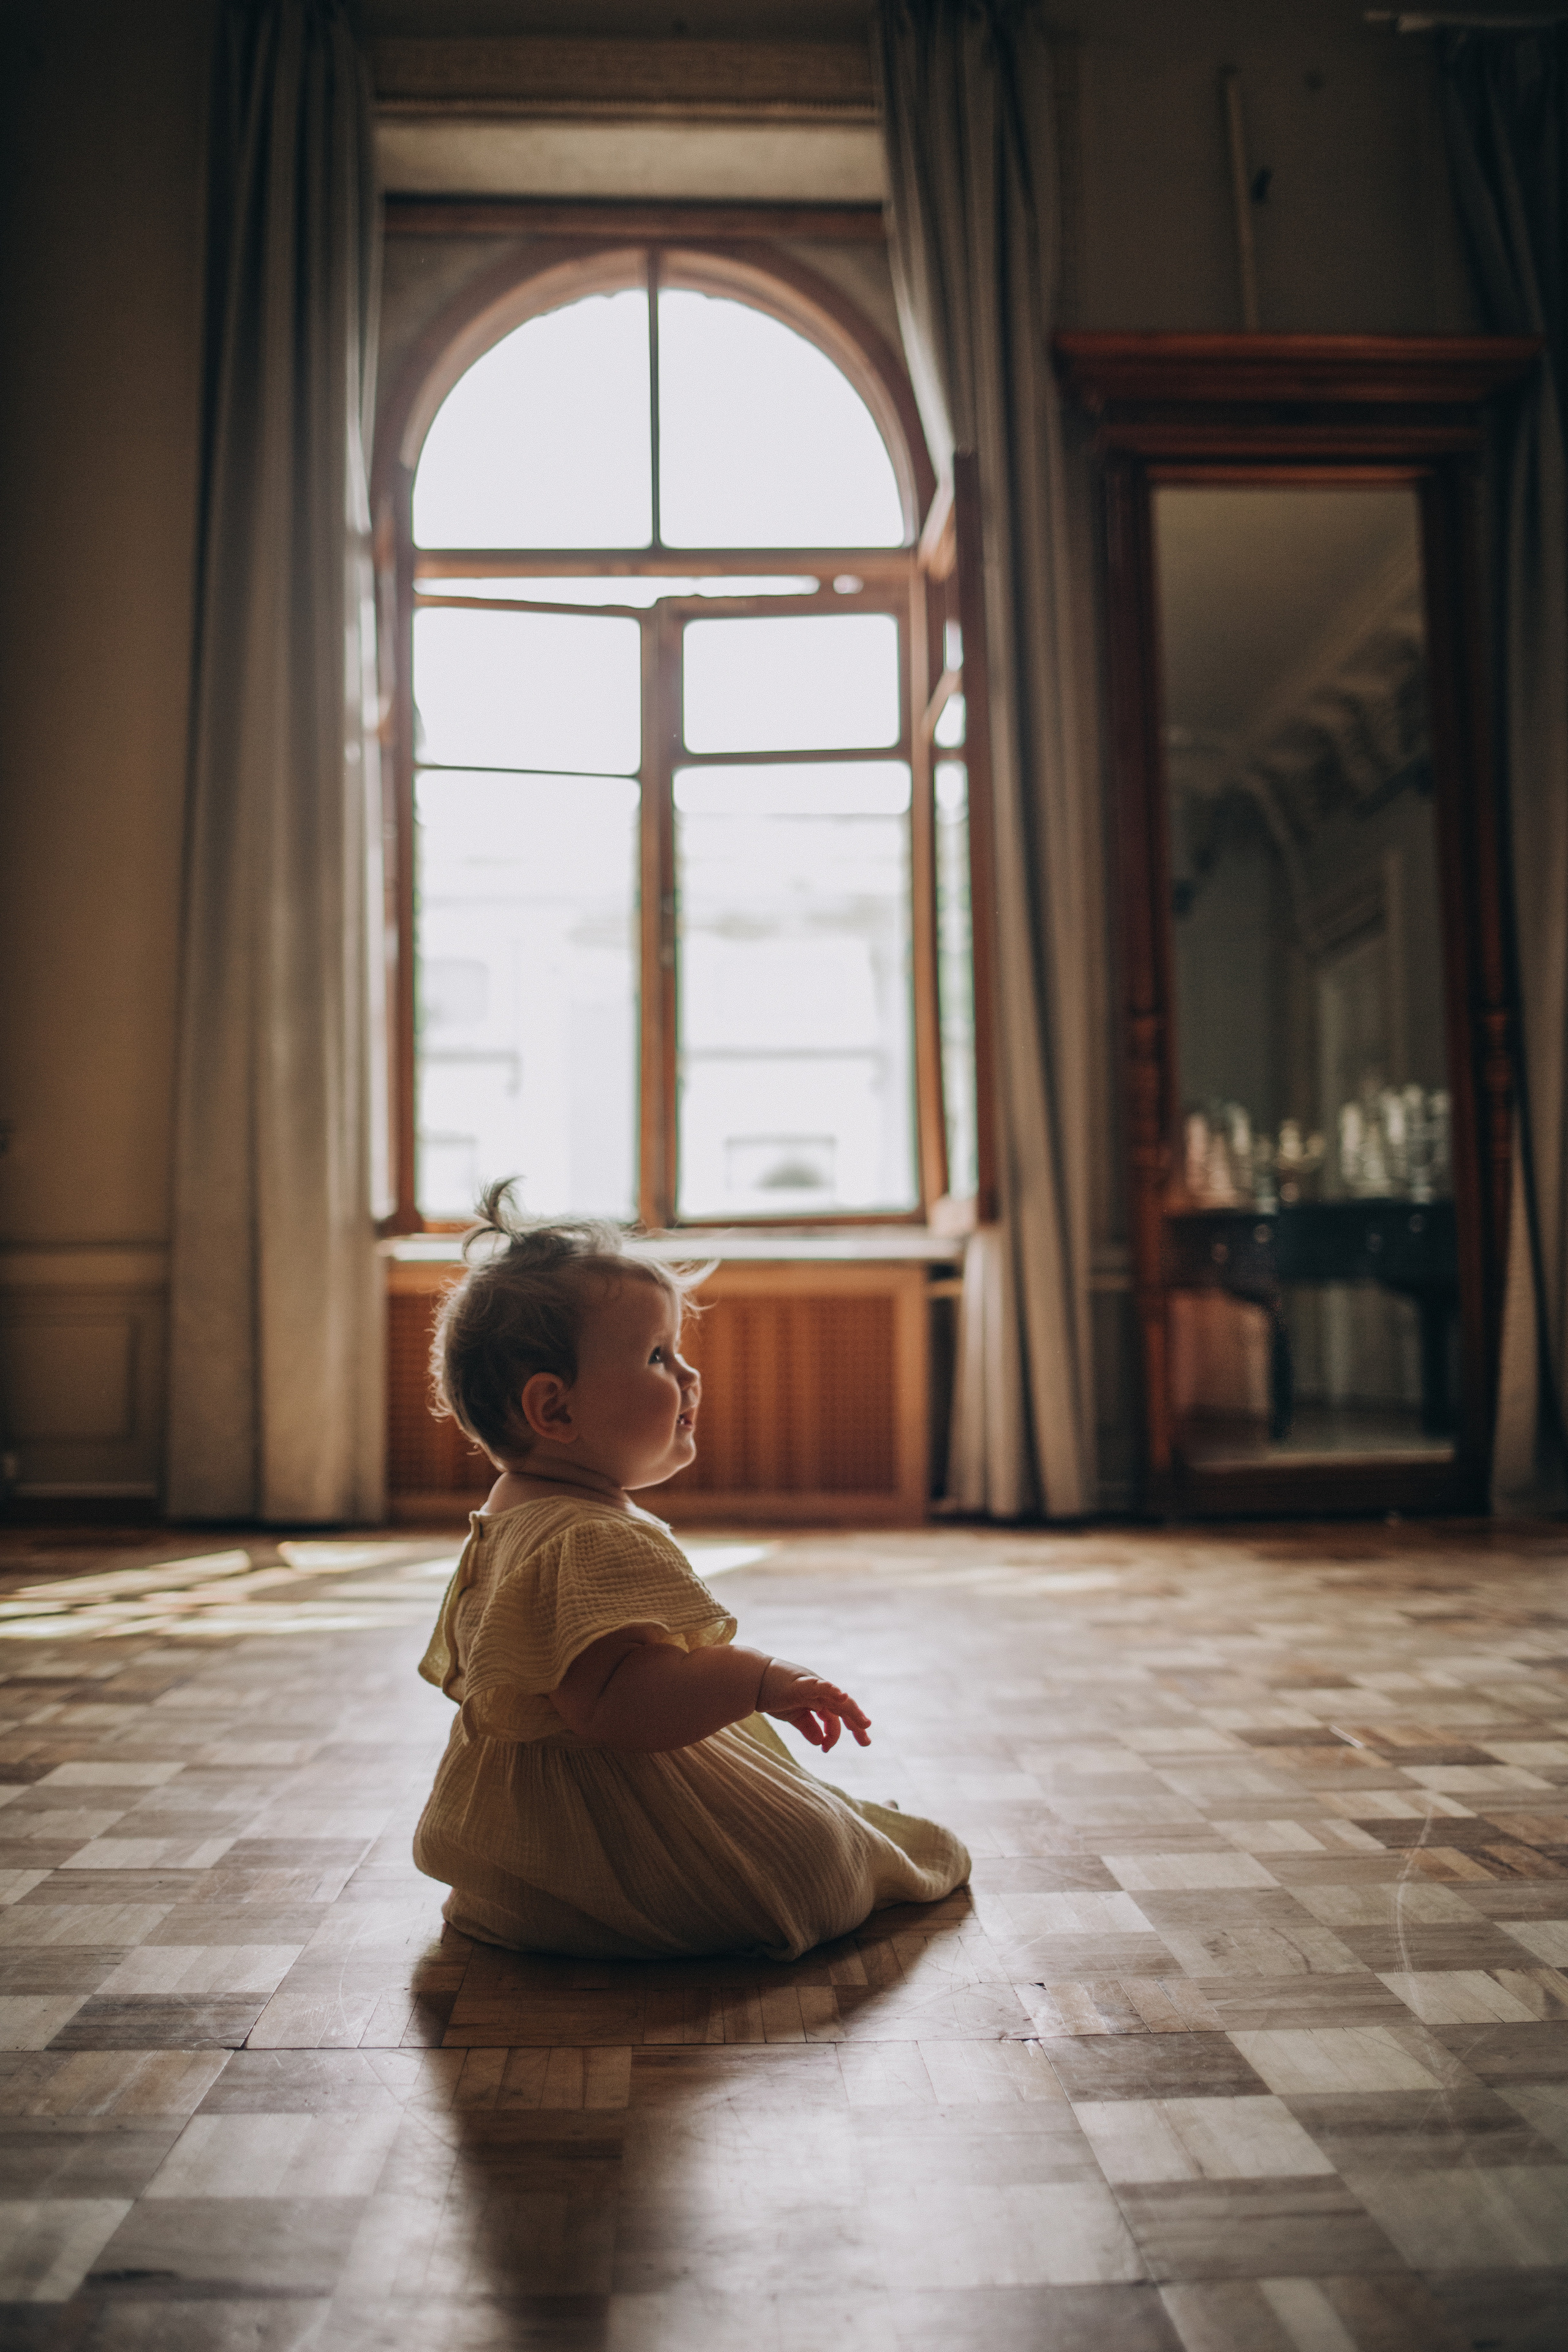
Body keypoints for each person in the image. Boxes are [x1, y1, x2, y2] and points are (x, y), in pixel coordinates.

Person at [412, 1184, 971, 1961]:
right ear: (556, 1412)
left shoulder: (513, 1512)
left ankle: (546, 1900)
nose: (689, 1376)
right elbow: (617, 1707)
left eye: (676, 1351)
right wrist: (757, 1679)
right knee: (817, 1870)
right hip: (615, 1829)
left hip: (526, 1855)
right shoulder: (588, 1540)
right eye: (656, 1356)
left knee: (824, 1823)